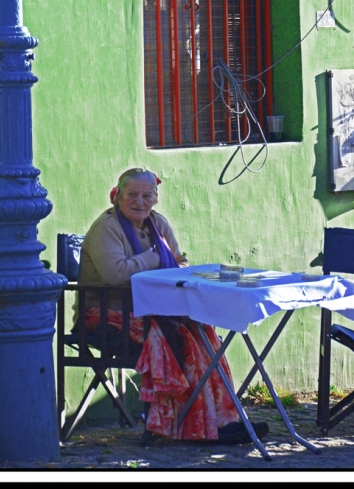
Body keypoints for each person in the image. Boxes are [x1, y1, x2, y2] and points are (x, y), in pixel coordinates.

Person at [77, 167, 269, 444]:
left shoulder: (159, 224)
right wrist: (154, 257)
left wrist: (171, 265)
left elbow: (180, 261)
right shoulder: (106, 228)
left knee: (204, 332)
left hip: (153, 310)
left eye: (146, 195)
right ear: (117, 196)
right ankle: (181, 425)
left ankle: (219, 421)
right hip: (108, 313)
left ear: (155, 198)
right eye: (131, 194)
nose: (139, 201)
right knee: (174, 338)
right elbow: (114, 275)